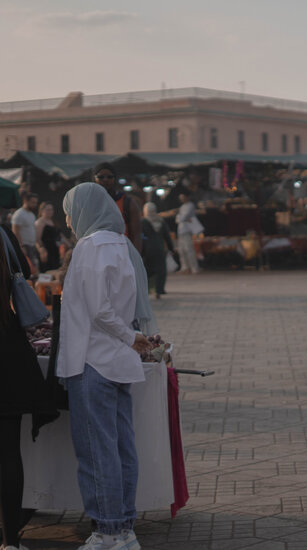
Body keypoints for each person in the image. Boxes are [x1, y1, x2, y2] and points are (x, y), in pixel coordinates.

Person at [59, 182, 156, 550]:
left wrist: (128, 336)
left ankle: (109, 531)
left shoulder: (89, 247)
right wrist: (129, 337)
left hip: (93, 359)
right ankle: (124, 528)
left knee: (97, 452)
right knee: (121, 449)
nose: (68, 220)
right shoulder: (120, 243)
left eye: (69, 211)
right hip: (116, 361)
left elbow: (99, 310)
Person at [0, 222, 57, 550]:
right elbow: (23, 275)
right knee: (9, 452)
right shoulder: (3, 234)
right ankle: (10, 541)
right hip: (8, 349)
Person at [93, 163, 143, 254]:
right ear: (94, 178)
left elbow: (136, 235)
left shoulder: (127, 202)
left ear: (115, 178)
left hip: (122, 254)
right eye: (101, 177)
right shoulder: (89, 202)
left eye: (109, 177)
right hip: (96, 254)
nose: (105, 180)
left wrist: (136, 257)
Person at [142, 203, 175, 298]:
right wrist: (171, 248)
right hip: (160, 249)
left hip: (147, 249)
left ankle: (148, 289)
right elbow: (167, 237)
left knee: (148, 270)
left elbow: (141, 237)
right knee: (161, 270)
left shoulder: (143, 222)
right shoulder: (161, 221)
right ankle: (159, 290)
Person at [11, 191, 39, 272]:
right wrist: (21, 246)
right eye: (32, 202)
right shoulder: (19, 214)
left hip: (32, 246)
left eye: (36, 203)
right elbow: (15, 231)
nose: (35, 204)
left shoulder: (31, 215)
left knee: (35, 269)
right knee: (27, 270)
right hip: (24, 246)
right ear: (25, 201)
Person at [175, 192, 202, 274]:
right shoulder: (182, 207)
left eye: (183, 197)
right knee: (182, 250)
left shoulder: (190, 205)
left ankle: (194, 267)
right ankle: (185, 267)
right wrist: (181, 218)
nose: (182, 199)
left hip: (187, 230)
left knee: (189, 249)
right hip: (181, 230)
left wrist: (181, 218)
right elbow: (178, 218)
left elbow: (182, 217)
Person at [34, 201, 63, 272]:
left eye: (52, 209)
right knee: (47, 271)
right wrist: (42, 250)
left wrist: (70, 245)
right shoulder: (39, 222)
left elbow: (60, 235)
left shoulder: (53, 221)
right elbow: (37, 239)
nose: (50, 211)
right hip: (46, 250)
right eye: (48, 210)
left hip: (55, 250)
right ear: (42, 210)